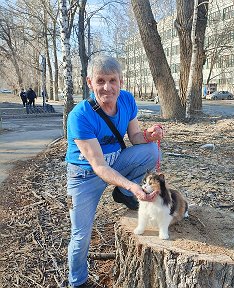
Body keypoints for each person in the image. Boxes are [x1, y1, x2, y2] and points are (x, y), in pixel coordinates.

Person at [65, 55, 164, 287]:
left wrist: (150, 135)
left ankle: (123, 195)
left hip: (116, 163)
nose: (107, 87)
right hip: (84, 177)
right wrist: (132, 184)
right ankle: (77, 282)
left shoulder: (128, 101)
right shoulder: (79, 116)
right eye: (100, 81)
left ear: (121, 81)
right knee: (80, 235)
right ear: (90, 83)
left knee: (151, 151)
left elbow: (135, 137)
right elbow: (99, 166)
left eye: (112, 80)